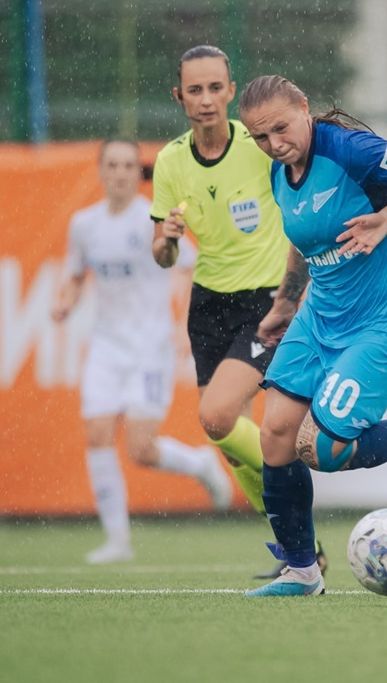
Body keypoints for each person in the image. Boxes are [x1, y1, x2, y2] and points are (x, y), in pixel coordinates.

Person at [236, 74, 387, 597]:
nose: (274, 144)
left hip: (381, 319)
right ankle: (302, 571)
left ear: (304, 107)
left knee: (321, 449)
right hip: (319, 314)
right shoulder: (281, 171)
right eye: (260, 137)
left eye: (281, 128)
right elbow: (306, 239)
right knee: (275, 435)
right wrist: (284, 302)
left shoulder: (350, 149)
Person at [150, 45, 327, 578]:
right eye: (195, 90)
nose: (206, 100)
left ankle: (295, 484)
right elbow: (163, 255)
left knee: (218, 418)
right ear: (179, 98)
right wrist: (168, 239)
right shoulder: (170, 161)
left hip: (267, 301)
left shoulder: (258, 147)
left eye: (215, 88)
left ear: (230, 91)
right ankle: (299, 550)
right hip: (208, 304)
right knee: (227, 440)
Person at [53, 137, 233, 564]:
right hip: (104, 347)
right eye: (111, 165)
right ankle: (117, 541)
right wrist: (65, 302)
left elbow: (189, 268)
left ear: (139, 173)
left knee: (141, 449)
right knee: (96, 434)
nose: (119, 173)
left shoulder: (152, 222)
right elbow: (76, 275)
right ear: (100, 171)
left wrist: (188, 324)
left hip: (150, 348)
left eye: (128, 166)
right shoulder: (84, 224)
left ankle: (200, 464)